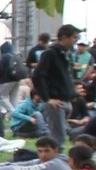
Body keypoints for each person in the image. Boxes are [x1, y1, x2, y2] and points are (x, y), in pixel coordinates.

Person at [32, 24, 80, 154]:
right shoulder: (50, 53)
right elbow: (37, 75)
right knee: (58, 138)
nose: (76, 40)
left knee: (61, 133)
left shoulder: (67, 54)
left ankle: (55, 158)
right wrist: (47, 98)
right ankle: (56, 162)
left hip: (66, 99)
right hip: (56, 100)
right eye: (74, 37)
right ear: (64, 37)